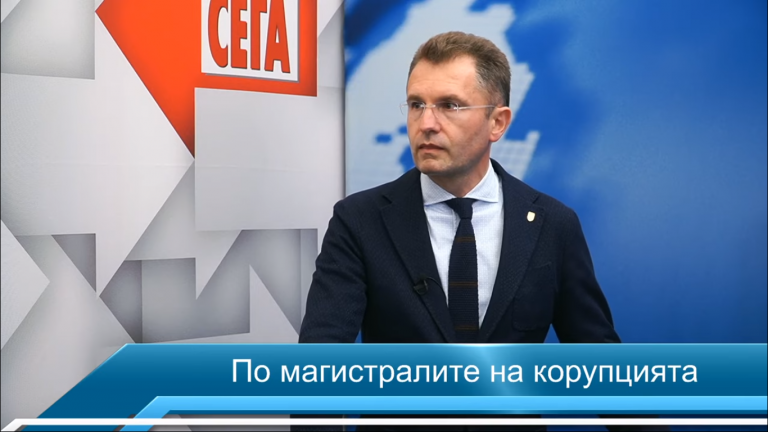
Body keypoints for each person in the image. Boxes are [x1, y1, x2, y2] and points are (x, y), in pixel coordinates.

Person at [297, 31, 657, 431]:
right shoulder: (359, 220)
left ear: (497, 122)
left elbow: (601, 365)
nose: (426, 124)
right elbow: (318, 368)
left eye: (449, 106)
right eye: (416, 105)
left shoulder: (553, 225)